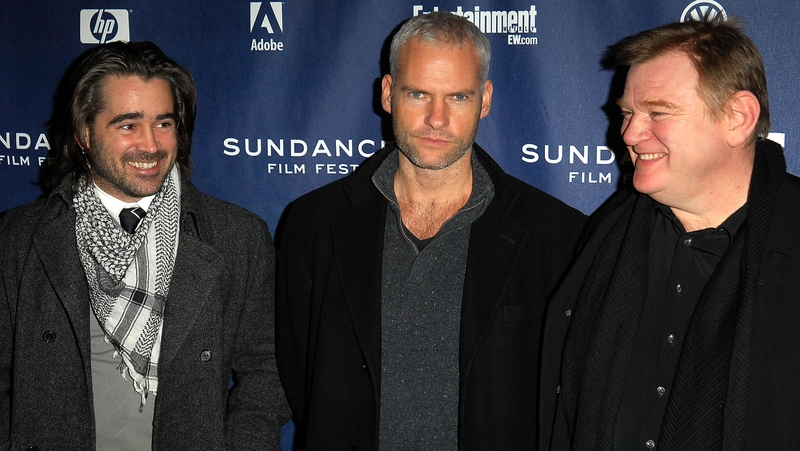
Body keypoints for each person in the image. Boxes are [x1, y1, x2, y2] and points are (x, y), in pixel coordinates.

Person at [276, 11, 586, 451]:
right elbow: (298, 372)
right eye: (418, 93)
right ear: (388, 94)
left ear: (485, 100)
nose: (437, 119)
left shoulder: (556, 235)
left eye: (457, 97)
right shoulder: (314, 225)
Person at [0, 41, 289, 450]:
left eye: (163, 123)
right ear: (84, 133)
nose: (151, 145)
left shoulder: (237, 237)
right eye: (128, 125)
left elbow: (268, 369)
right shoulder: (19, 238)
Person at [539, 18, 800, 451]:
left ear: (737, 118)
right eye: (627, 113)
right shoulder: (607, 234)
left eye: (657, 112)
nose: (629, 134)